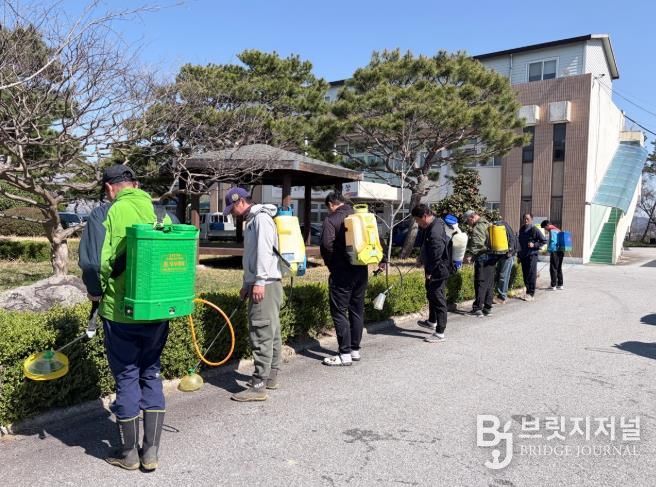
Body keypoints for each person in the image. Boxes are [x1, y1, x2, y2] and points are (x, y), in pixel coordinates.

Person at [79, 164, 171, 471]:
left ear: (109, 188)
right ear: (137, 185)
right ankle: (151, 453)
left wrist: (95, 293)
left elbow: (92, 264)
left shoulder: (104, 214)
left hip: (120, 313)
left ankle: (129, 454)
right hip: (158, 311)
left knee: (128, 375)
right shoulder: (163, 214)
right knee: (151, 372)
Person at [225, 187, 283, 401]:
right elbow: (251, 256)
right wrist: (247, 283)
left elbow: (264, 252)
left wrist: (258, 282)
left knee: (261, 332)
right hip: (266, 282)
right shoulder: (253, 220)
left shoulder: (260, 219)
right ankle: (270, 378)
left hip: (265, 283)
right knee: (271, 331)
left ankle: (258, 386)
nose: (232, 213)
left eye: (232, 208)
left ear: (240, 201)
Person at [320, 192, 379, 366]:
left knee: (339, 312)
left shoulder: (331, 220)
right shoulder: (360, 216)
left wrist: (332, 264)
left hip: (341, 272)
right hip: (361, 270)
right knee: (357, 310)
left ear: (331, 204)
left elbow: (326, 245)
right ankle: (354, 350)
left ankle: (344, 354)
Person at [413, 204, 453, 343]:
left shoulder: (435, 230)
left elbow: (436, 254)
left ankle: (440, 333)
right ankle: (432, 321)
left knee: (438, 298)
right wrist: (421, 258)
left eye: (417, 220)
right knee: (431, 294)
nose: (418, 223)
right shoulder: (432, 225)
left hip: (438, 270)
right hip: (434, 268)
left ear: (424, 216)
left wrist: (430, 271)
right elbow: (428, 248)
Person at [463, 210, 496, 317]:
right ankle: (487, 308)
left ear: (471, 217)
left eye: (467, 221)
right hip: (492, 256)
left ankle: (477, 309)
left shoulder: (478, 227)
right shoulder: (487, 223)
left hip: (482, 257)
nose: (468, 224)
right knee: (489, 283)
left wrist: (470, 255)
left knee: (480, 282)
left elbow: (478, 244)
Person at [517, 213, 547, 301]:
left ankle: (531, 294)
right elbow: (519, 243)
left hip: (532, 255)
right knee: (525, 275)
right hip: (523, 255)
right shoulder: (522, 229)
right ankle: (527, 293)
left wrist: (534, 245)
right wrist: (519, 256)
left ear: (531, 220)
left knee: (531, 275)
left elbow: (544, 241)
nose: (526, 220)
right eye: (524, 219)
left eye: (528, 219)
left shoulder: (534, 229)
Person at [494, 218, 519, 304]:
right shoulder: (499, 226)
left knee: (503, 276)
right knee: (501, 275)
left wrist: (510, 251)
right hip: (502, 254)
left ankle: (502, 297)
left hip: (507, 255)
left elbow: (511, 238)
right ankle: (501, 295)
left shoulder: (503, 226)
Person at [541, 219, 564, 290]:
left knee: (553, 268)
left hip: (555, 252)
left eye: (544, 228)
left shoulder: (552, 230)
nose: (545, 229)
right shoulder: (558, 229)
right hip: (561, 251)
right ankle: (560, 284)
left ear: (547, 225)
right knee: (559, 268)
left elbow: (553, 242)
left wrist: (548, 250)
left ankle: (553, 285)